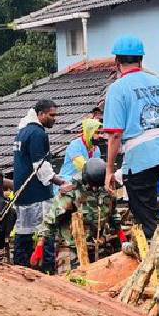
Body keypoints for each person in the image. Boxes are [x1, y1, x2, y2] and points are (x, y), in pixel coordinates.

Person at [102, 36, 159, 237]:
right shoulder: (158, 82)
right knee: (150, 205)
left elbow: (115, 135)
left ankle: (157, 253)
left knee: (145, 217)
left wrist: (109, 170)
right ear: (141, 60)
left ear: (117, 62)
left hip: (139, 160)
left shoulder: (117, 89)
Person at [31, 158, 120, 273]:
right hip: (72, 248)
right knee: (70, 282)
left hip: (99, 247)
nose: (95, 189)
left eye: (98, 186)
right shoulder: (72, 192)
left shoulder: (106, 192)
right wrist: (39, 246)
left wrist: (120, 235)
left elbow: (113, 215)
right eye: (92, 186)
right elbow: (50, 221)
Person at [12, 100, 62, 270]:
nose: (54, 119)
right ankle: (47, 271)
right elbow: (41, 166)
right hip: (37, 193)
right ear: (41, 114)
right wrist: (60, 182)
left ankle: (19, 268)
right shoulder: (38, 134)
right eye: (51, 115)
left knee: (23, 232)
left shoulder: (22, 131)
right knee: (45, 232)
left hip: (22, 193)